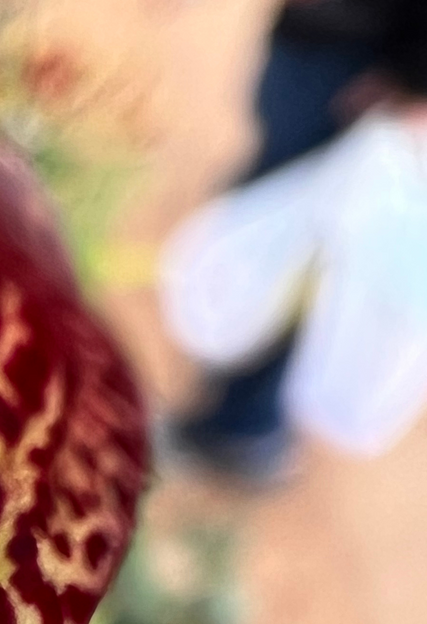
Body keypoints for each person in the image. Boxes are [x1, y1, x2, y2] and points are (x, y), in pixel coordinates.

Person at [170, 0, 427, 484]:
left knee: (297, 253)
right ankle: (240, 413)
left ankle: (243, 430)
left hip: (357, 70)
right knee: (275, 229)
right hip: (322, 44)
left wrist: (411, 84)